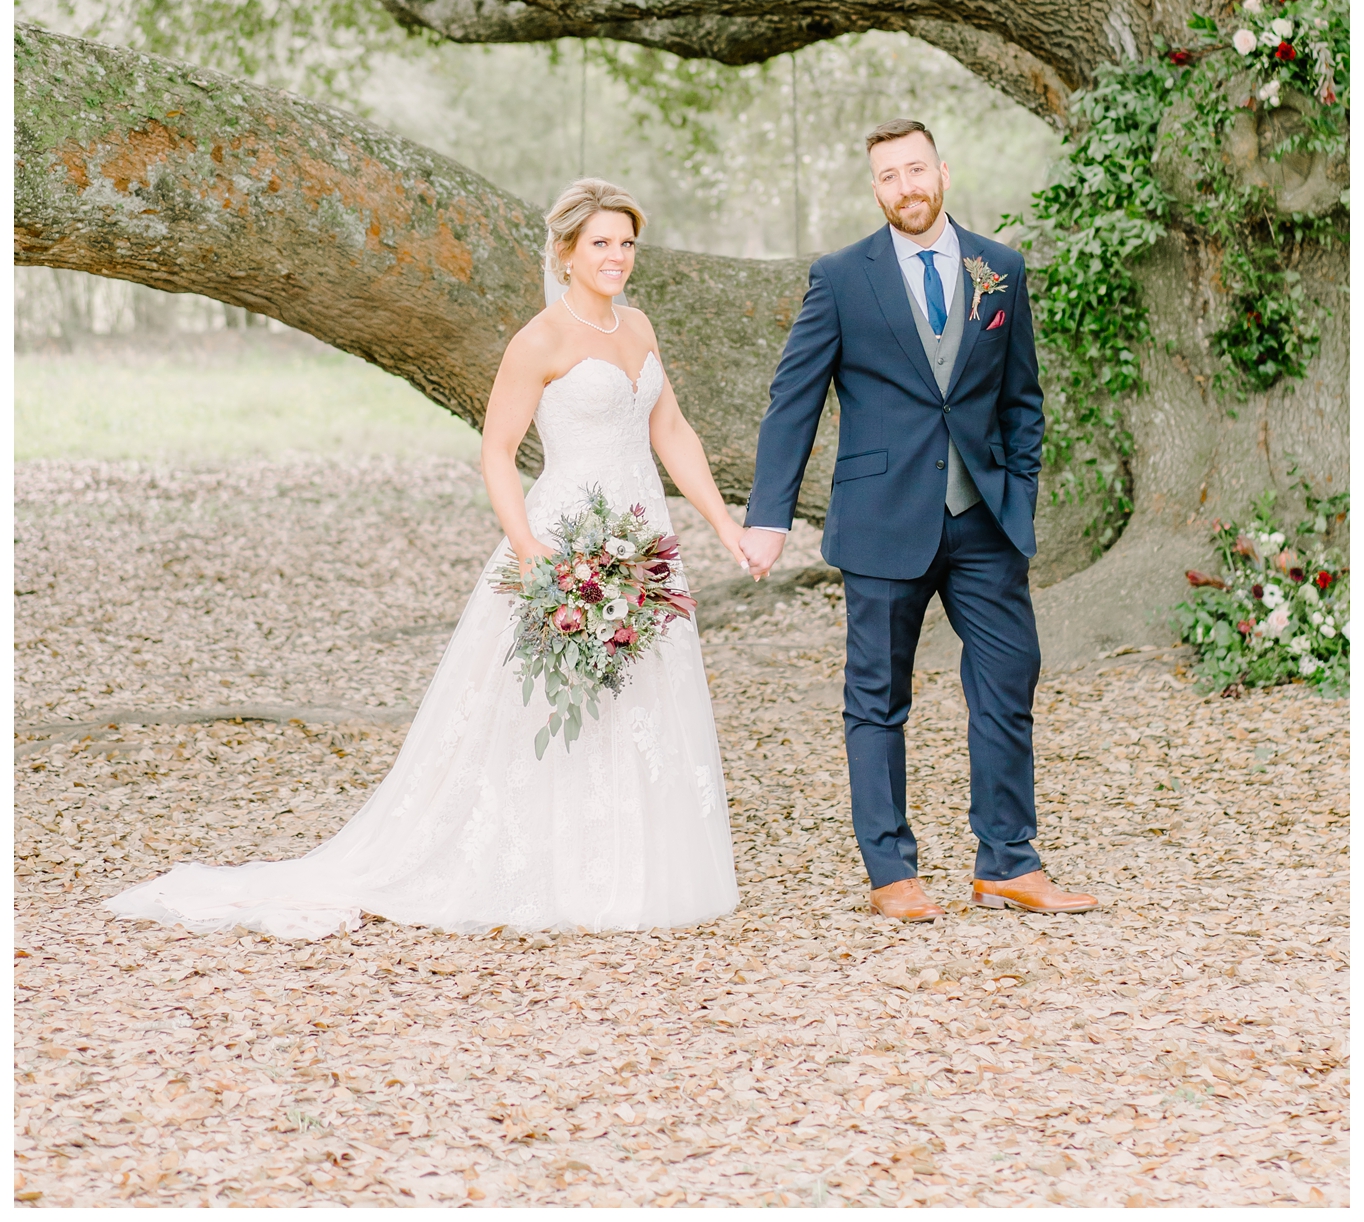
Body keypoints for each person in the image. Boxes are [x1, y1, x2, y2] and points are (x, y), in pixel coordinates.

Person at [105, 179, 745, 939]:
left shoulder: (638, 328)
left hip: (640, 543)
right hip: (565, 539)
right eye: (601, 243)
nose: (616, 257)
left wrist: (724, 525)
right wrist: (531, 549)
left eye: (627, 243)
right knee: (546, 701)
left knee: (638, 697)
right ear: (567, 251)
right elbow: (499, 451)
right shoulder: (539, 339)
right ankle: (550, 868)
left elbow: (672, 432)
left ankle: (632, 870)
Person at [740, 121, 1096, 921]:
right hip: (880, 520)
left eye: (916, 169)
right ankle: (891, 872)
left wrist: (1017, 493)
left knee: (1009, 682)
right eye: (888, 176)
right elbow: (793, 402)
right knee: (877, 698)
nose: (906, 186)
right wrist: (768, 516)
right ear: (876, 190)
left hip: (984, 522)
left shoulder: (999, 269)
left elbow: (1022, 400)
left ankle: (1007, 861)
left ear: (942, 172)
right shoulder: (840, 278)